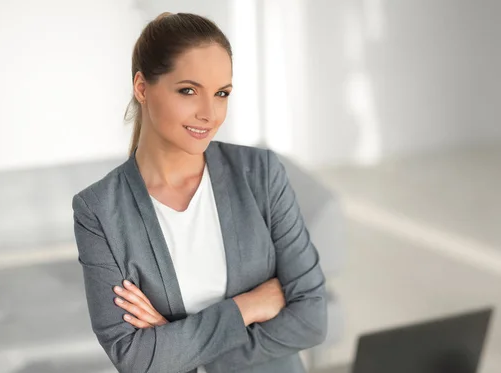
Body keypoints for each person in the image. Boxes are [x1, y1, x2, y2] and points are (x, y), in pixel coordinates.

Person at [72, 12, 327, 373]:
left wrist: (179, 345)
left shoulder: (261, 174)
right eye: (188, 91)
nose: (210, 113)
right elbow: (135, 358)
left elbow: (312, 317)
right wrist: (247, 307)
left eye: (222, 93)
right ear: (142, 88)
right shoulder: (98, 210)